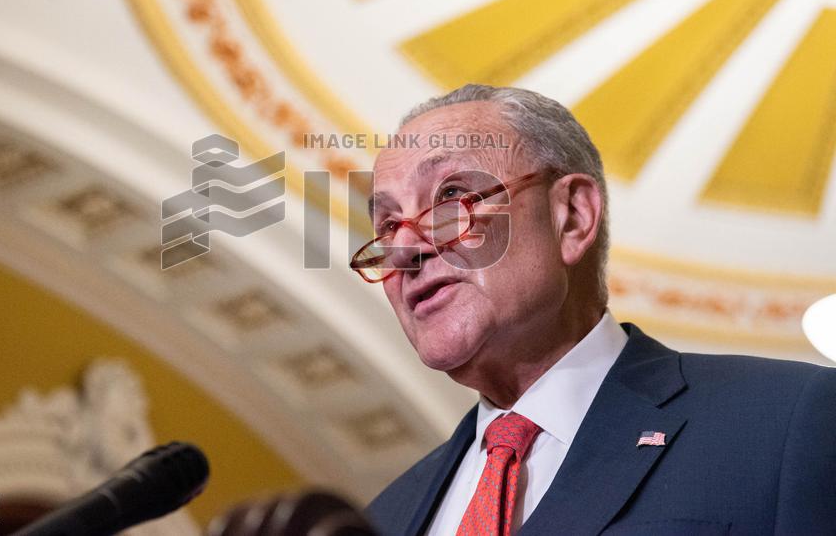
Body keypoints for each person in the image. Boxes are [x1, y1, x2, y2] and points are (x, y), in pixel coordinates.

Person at [355, 85, 836, 536]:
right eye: (388, 224)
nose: (403, 250)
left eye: (452, 198)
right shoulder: (385, 516)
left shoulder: (785, 423)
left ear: (572, 217)